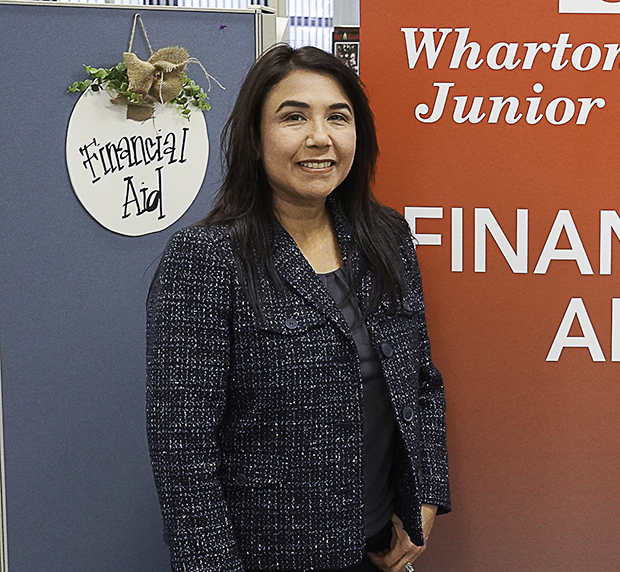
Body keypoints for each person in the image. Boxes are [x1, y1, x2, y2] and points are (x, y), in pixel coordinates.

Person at [146, 44, 450, 572]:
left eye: (338, 117)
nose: (320, 137)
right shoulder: (207, 259)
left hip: (378, 548)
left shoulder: (386, 236)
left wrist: (423, 498)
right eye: (293, 117)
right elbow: (184, 454)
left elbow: (421, 382)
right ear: (255, 139)